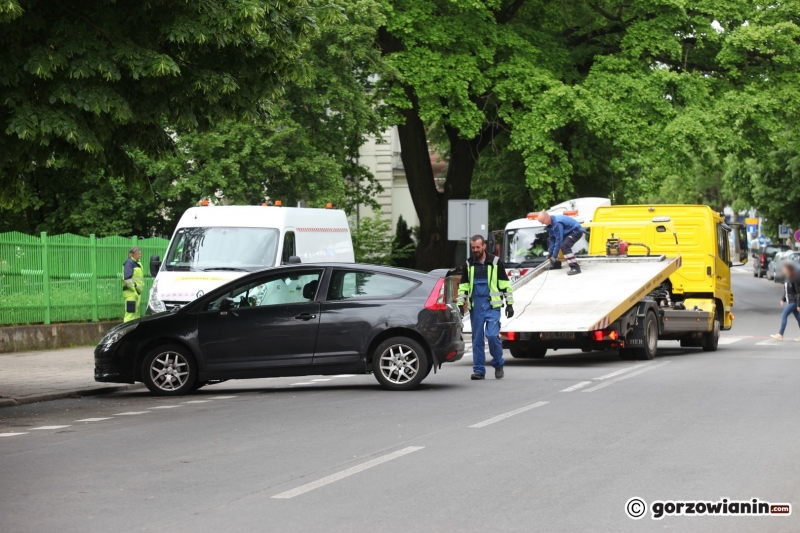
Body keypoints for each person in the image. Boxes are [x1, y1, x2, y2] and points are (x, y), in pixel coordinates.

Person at [457, 235, 515, 380]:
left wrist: (509, 304)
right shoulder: (469, 264)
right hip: (476, 308)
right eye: (473, 247)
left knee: (492, 336)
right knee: (477, 340)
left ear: (484, 246)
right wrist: (460, 305)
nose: (475, 250)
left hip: (492, 306)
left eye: (478, 247)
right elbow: (463, 287)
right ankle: (479, 371)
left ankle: (498, 364)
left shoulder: (496, 262)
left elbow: (505, 285)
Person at [537, 210, 585, 275]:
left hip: (576, 231)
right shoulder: (550, 224)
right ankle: (556, 264)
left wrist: (555, 255)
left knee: (564, 245)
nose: (542, 223)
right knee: (549, 240)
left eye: (543, 221)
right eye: (541, 222)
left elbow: (558, 240)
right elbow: (552, 239)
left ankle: (575, 268)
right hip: (567, 232)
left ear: (547, 217)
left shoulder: (557, 223)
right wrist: (550, 253)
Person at [770, 262, 800, 341]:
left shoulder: (794, 278)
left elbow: (798, 292)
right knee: (798, 318)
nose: (782, 269)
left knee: (784, 314)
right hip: (790, 300)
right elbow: (787, 291)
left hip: (794, 301)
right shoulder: (788, 278)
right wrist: (783, 299)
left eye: (784, 268)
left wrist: (798, 304)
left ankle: (780, 334)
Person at [123, 247, 144, 323]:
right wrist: (134, 291)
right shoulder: (129, 263)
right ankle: (127, 332)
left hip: (136, 293)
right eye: (139, 253)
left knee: (135, 315)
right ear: (134, 254)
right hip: (131, 294)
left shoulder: (136, 263)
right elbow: (127, 279)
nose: (140, 255)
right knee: (130, 316)